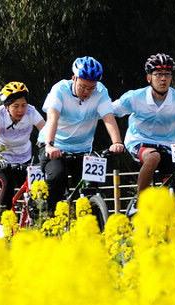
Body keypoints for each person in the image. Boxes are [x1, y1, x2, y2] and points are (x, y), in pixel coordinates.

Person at [112, 53, 175, 194]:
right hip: (140, 142)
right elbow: (108, 112)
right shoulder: (135, 97)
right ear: (149, 77)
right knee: (153, 157)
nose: (163, 78)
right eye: (158, 74)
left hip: (170, 147)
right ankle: (141, 199)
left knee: (174, 188)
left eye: (167, 74)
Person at [38, 56, 124, 211]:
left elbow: (108, 118)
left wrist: (117, 142)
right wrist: (49, 145)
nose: (87, 92)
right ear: (74, 78)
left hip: (83, 149)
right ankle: (50, 218)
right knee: (57, 177)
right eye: (83, 87)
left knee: (90, 186)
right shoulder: (60, 89)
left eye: (91, 88)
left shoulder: (101, 91)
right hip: (55, 146)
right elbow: (52, 118)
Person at [0, 81, 46, 211]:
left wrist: (49, 146)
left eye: (24, 105)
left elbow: (46, 131)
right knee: (6, 184)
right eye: (16, 106)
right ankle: (1, 220)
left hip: (24, 160)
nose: (20, 110)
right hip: (1, 161)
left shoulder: (31, 112)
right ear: (7, 106)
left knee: (36, 192)